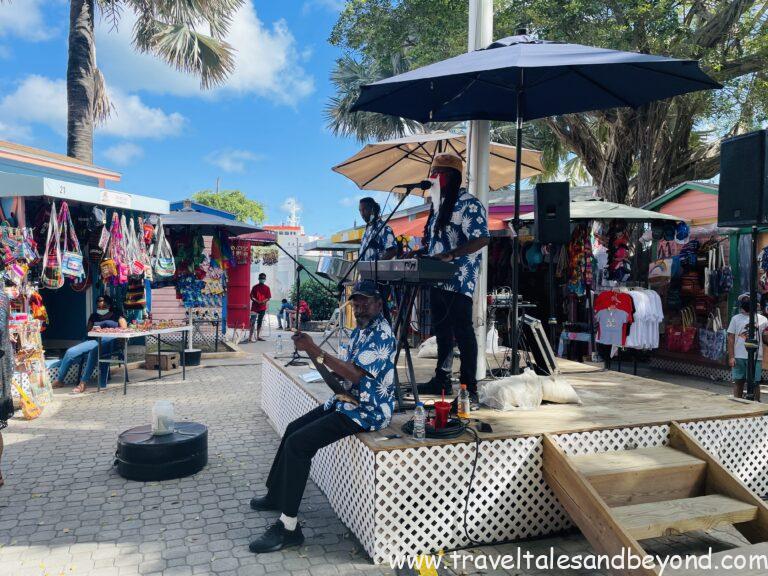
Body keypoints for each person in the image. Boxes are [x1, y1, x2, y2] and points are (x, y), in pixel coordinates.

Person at [248, 280, 395, 553]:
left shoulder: (382, 334)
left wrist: (316, 350)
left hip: (369, 411)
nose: (359, 306)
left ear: (379, 304)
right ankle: (277, 495)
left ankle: (289, 528)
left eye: (365, 301)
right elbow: (340, 372)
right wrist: (311, 353)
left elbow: (355, 375)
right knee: (293, 429)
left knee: (299, 445)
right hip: (346, 401)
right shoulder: (360, 331)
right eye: (356, 301)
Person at [416, 153, 490, 402]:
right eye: (432, 173)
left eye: (438, 174)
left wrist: (452, 254)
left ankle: (469, 388)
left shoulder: (469, 203)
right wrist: (420, 253)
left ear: (451, 177)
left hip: (459, 278)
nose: (433, 178)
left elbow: (482, 238)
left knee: (463, 331)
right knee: (442, 331)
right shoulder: (438, 206)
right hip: (437, 278)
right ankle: (442, 379)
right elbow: (436, 242)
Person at [51, 295, 127, 394]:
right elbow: (88, 331)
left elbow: (124, 328)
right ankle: (60, 380)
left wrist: (111, 331)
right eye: (99, 307)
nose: (101, 309)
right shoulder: (94, 316)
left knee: (94, 351)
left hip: (110, 342)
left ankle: (83, 383)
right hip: (95, 340)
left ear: (109, 306)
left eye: (104, 307)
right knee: (70, 352)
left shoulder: (117, 315)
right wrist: (94, 329)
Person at [727, 293, 768, 401]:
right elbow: (730, 338)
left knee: (755, 383)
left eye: (748, 299)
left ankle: (756, 404)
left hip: (756, 357)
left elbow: (765, 339)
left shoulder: (763, 319)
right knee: (738, 381)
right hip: (739, 356)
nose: (746, 302)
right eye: (744, 300)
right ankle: (737, 402)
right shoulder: (735, 319)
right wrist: (731, 357)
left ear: (756, 304)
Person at [249, 273, 271, 342]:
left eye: (263, 278)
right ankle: (250, 337)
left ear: (265, 279)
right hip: (254, 307)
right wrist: (257, 301)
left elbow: (268, 297)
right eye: (261, 278)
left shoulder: (267, 288)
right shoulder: (255, 287)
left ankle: (258, 336)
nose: (262, 279)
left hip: (262, 307)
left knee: (260, 321)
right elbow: (251, 296)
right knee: (252, 321)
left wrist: (264, 301)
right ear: (259, 279)